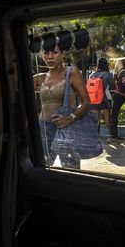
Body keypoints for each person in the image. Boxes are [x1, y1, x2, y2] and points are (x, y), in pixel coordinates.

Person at [33, 32, 94, 168]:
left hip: (66, 128)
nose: (49, 56)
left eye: (54, 52)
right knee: (42, 169)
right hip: (43, 128)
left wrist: (71, 117)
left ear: (63, 54)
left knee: (71, 170)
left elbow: (86, 103)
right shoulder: (40, 77)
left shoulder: (71, 73)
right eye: (46, 52)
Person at [88, 58, 114, 137]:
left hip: (94, 99)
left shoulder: (92, 75)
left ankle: (95, 136)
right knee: (107, 119)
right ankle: (111, 136)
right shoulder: (108, 75)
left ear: (98, 65)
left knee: (96, 119)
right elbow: (112, 86)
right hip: (105, 98)